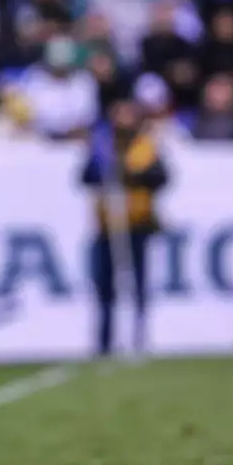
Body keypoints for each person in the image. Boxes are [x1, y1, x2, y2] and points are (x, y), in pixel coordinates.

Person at [80, 98, 168, 356]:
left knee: (138, 285)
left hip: (137, 224)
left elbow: (161, 177)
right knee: (105, 287)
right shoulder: (102, 148)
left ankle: (139, 339)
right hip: (108, 225)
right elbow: (86, 176)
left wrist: (132, 175)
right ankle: (104, 343)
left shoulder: (145, 147)